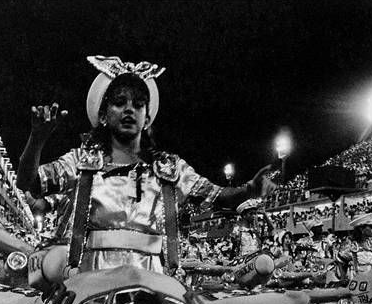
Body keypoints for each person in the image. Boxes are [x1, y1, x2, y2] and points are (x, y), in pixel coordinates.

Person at [15, 56, 274, 278]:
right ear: (103, 115)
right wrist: (37, 140)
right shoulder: (82, 162)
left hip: (153, 283)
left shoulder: (170, 168)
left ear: (147, 118)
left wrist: (250, 189)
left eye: (138, 104)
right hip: (88, 282)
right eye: (119, 102)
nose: (130, 109)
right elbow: (28, 182)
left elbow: (219, 197)